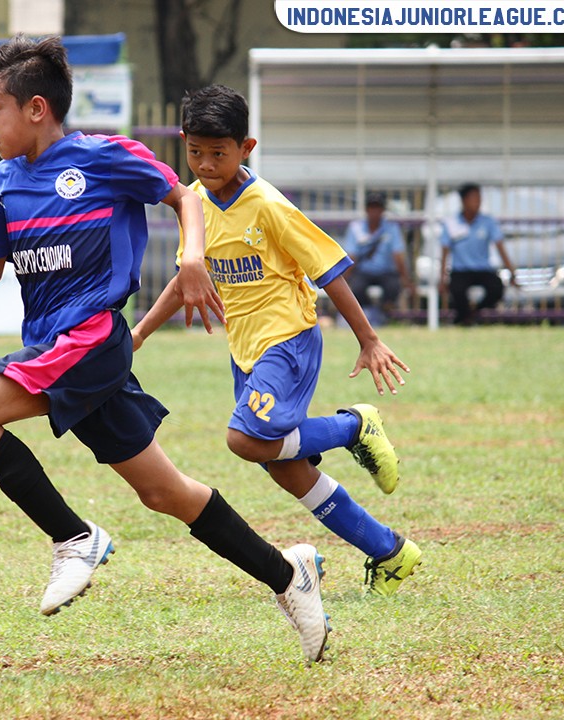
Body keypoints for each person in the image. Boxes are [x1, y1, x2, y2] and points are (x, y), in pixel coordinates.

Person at [0, 36, 330, 664]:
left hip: (90, 339)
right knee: (167, 494)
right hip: (56, 347)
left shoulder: (103, 158)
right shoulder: (4, 180)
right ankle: (289, 576)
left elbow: (184, 196)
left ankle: (74, 538)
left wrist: (193, 257)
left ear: (37, 108)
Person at [132, 84, 422, 599]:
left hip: (288, 340)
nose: (204, 163)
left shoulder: (267, 205)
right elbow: (185, 281)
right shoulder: (193, 204)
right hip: (246, 351)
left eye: (218, 153)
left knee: (244, 440)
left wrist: (368, 339)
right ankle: (389, 551)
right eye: (195, 151)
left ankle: (352, 427)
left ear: (247, 148)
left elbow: (328, 269)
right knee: (285, 469)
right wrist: (139, 335)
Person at [438, 183, 520, 326]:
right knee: (457, 289)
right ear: (463, 201)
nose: (478, 202)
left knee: (497, 288)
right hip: (460, 270)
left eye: (479, 198)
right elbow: (444, 252)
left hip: (483, 269)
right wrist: (442, 278)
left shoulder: (487, 222)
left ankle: (469, 315)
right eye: (474, 198)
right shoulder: (451, 223)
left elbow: (501, 249)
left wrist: (512, 273)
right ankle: (467, 318)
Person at [341, 191, 414, 324]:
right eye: (371, 208)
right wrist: (343, 279)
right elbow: (352, 257)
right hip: (363, 271)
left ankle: (382, 313)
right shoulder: (356, 228)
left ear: (383, 210)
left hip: (386, 272)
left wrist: (405, 279)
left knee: (393, 286)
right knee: (356, 288)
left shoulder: (391, 228)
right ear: (366, 210)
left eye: (377, 208)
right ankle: (372, 313)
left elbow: (398, 256)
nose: (374, 212)